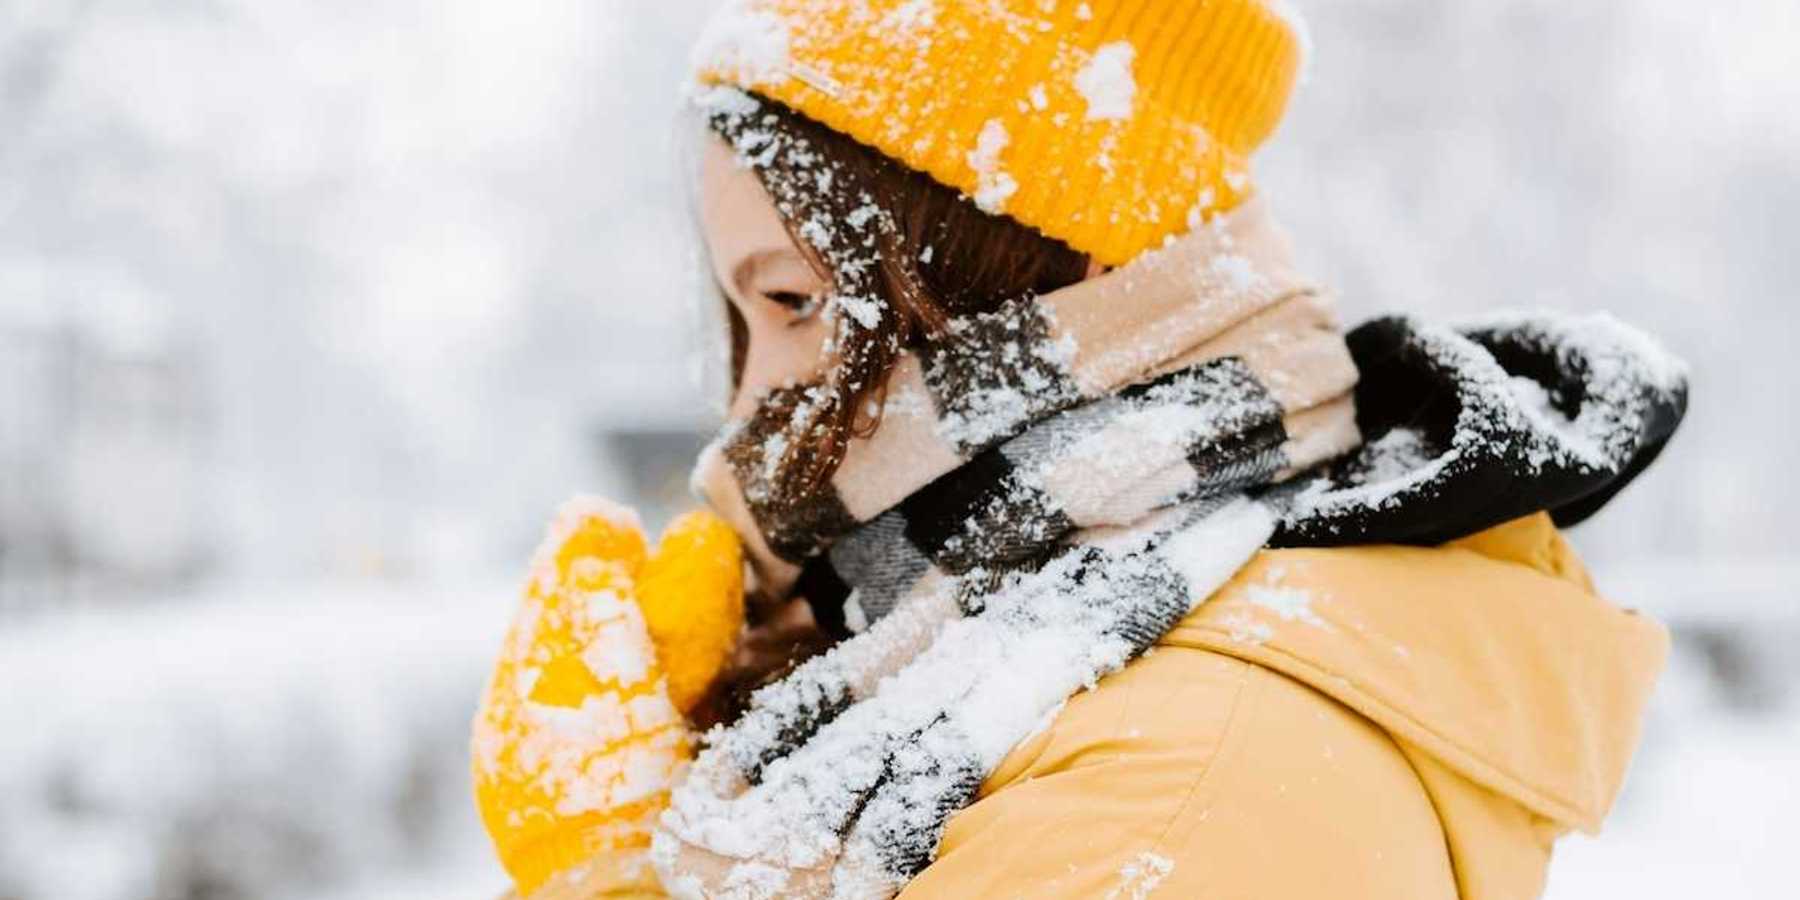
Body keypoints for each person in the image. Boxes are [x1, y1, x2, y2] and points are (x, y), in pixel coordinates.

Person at [471, 2, 1689, 897]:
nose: (751, 407)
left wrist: (607, 876)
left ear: (1037, 277)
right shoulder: (1009, 664)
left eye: (791, 304)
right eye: (740, 325)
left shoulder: (1176, 793)